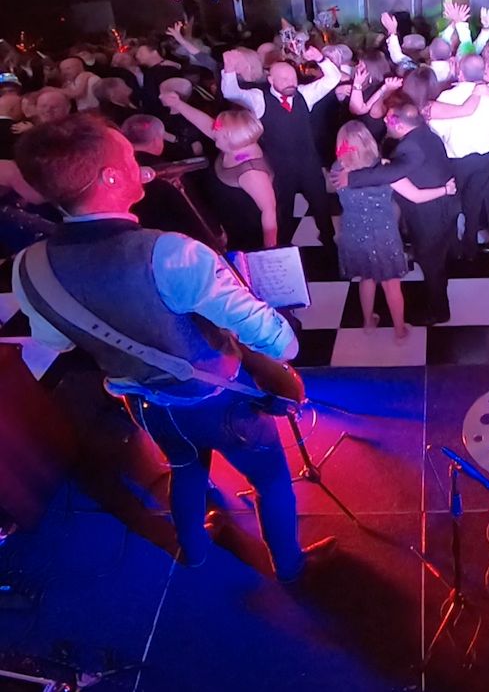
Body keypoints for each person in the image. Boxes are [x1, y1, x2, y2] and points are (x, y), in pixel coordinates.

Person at [10, 114, 335, 582]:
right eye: (130, 156)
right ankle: (289, 565)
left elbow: (55, 341)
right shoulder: (171, 253)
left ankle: (195, 551)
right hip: (217, 403)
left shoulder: (29, 266)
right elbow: (280, 342)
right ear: (112, 177)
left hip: (144, 405)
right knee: (269, 478)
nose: (141, 166)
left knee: (186, 468)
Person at [331, 102, 459, 327]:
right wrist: (445, 190)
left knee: (429, 264)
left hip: (424, 218)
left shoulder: (338, 169)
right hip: (393, 228)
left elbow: (394, 175)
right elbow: (404, 184)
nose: (384, 121)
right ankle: (401, 328)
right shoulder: (425, 133)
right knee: (395, 281)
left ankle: (440, 311)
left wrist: (352, 178)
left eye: (389, 119)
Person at [220, 46, 341, 247]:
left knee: (321, 204)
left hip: (309, 164)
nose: (290, 83)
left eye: (292, 78)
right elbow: (231, 93)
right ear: (271, 80)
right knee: (283, 210)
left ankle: (328, 241)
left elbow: (333, 78)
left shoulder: (304, 94)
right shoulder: (260, 99)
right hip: (280, 168)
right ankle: (282, 249)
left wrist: (320, 59)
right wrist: (229, 70)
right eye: (284, 79)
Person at [161, 91, 277, 250]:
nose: (214, 133)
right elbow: (205, 123)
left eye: (219, 134)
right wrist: (178, 104)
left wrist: (268, 250)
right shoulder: (235, 143)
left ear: (231, 138)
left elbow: (269, 211)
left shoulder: (252, 173)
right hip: (226, 218)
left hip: (246, 231)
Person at [428, 54, 489, 260]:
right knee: (473, 204)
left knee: (453, 204)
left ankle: (455, 248)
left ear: (460, 72)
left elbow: (436, 132)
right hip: (484, 160)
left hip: (456, 161)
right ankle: (472, 248)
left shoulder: (447, 96)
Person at [120, 114, 222, 247]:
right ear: (156, 140)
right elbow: (190, 210)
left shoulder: (118, 167)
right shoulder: (166, 173)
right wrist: (215, 234)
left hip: (135, 240)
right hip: (173, 242)